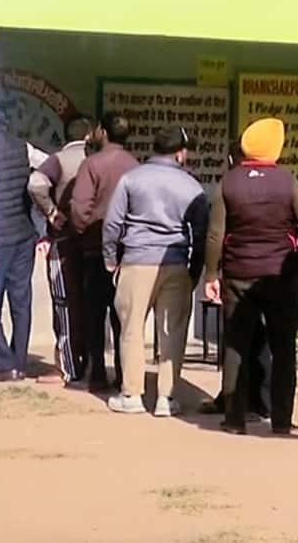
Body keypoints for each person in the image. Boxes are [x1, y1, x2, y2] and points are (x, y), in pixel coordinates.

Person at [203, 118, 298, 434]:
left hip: (238, 275)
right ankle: (280, 422)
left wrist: (212, 274)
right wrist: (295, 267)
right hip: (280, 277)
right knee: (283, 348)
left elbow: (215, 235)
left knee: (235, 346)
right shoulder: (288, 182)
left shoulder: (229, 182)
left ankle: (235, 419)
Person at [102, 127, 208, 416]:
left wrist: (111, 258)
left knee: (132, 329)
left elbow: (113, 223)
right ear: (180, 152)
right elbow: (201, 234)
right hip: (175, 263)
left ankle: (132, 395)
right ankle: (166, 398)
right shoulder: (192, 186)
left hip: (136, 261)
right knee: (172, 331)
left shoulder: (131, 179)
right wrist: (194, 270)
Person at [70, 112, 139, 391]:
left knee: (94, 314)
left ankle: (97, 371)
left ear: (103, 132)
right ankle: (124, 373)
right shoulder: (135, 166)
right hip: (127, 253)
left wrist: (83, 229)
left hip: (95, 250)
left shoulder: (92, 164)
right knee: (123, 315)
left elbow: (79, 207)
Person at [29, 115, 95, 383]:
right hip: (95, 242)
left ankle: (68, 367)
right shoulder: (98, 159)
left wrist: (52, 212)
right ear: (89, 135)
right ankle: (95, 366)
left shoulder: (58, 160)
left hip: (64, 241)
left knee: (65, 303)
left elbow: (35, 184)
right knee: (94, 304)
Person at [0, 121, 38, 382]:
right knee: (21, 302)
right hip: (23, 235)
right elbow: (47, 169)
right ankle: (20, 362)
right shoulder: (22, 147)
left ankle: (4, 364)